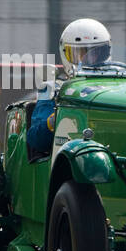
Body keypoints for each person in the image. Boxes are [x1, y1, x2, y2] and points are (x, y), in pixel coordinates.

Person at [27, 19, 112, 158]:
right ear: (65, 52)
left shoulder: (114, 88)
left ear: (105, 53)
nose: (88, 62)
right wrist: (57, 117)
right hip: (67, 159)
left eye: (95, 54)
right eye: (80, 55)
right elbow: (36, 140)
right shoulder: (53, 89)